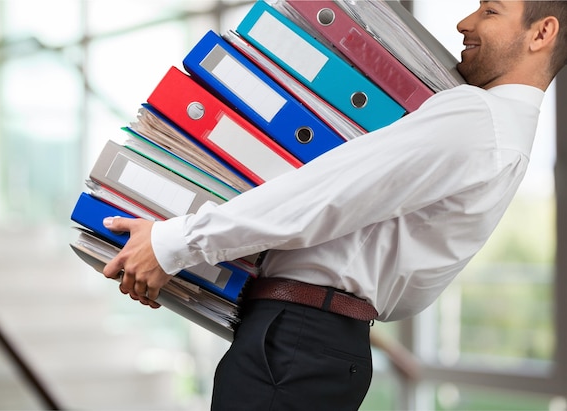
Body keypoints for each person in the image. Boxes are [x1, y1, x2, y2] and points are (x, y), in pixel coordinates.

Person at [102, 1, 567, 410]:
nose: (466, 22)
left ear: (542, 33)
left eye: (490, 10)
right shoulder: (511, 142)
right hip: (325, 345)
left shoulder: (478, 116)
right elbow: (409, 289)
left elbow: (328, 192)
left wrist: (173, 243)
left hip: (297, 344)